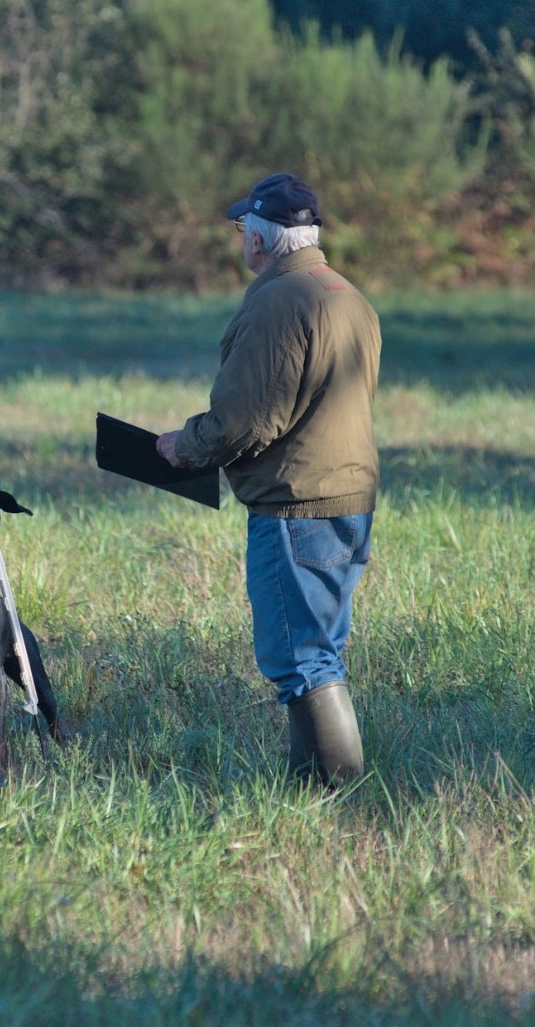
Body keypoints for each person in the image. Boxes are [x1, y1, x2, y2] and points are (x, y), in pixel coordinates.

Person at [157, 173, 381, 786]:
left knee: (299, 659)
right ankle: (308, 787)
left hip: (296, 506)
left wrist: (185, 445)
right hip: (349, 499)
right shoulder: (348, 295)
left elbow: (247, 420)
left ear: (259, 238)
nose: (240, 241)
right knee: (321, 651)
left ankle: (337, 790)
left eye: (241, 229)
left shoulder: (276, 301)